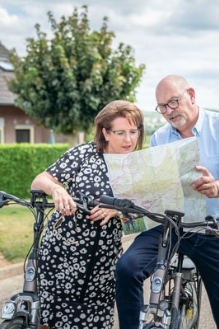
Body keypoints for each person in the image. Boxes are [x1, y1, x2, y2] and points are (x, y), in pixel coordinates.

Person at [115, 76, 219, 329]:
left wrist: (218, 187)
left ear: (191, 95)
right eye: (162, 107)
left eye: (173, 102)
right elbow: (154, 188)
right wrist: (132, 201)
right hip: (170, 227)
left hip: (214, 231)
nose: (168, 111)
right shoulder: (160, 137)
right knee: (126, 268)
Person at [29, 101, 145, 329]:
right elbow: (40, 179)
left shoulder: (138, 167)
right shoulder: (84, 154)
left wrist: (119, 210)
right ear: (105, 132)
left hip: (102, 262)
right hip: (62, 253)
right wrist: (56, 188)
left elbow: (140, 219)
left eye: (133, 132)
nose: (128, 139)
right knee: (49, 321)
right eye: (120, 133)